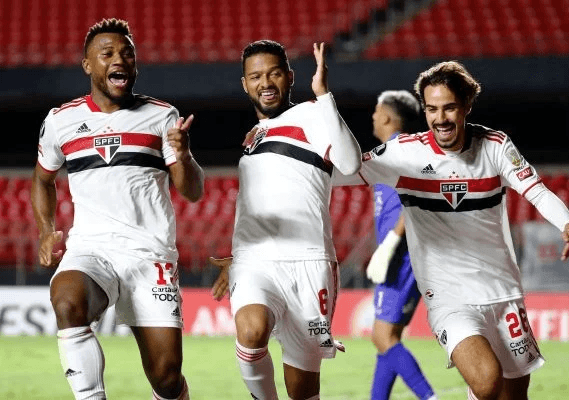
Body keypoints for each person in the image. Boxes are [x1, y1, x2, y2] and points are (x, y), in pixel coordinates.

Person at [333, 61, 569, 400]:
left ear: (466, 106)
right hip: (449, 297)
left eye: (449, 107)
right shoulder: (405, 153)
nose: (440, 118)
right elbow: (342, 172)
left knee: (514, 393)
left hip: (503, 292)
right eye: (432, 109)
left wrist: (567, 223)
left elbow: (536, 191)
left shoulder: (495, 146)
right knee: (486, 380)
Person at [30, 18, 204, 400]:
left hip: (149, 254)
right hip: (91, 249)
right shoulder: (61, 121)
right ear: (88, 65)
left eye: (127, 53)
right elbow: (43, 179)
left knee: (167, 379)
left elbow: (191, 191)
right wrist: (46, 229)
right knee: (66, 298)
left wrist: (185, 155)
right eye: (107, 53)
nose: (119, 59)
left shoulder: (162, 116)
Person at [211, 39, 361, 400]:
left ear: (290, 77)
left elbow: (351, 163)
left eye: (274, 73)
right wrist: (237, 255)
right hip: (256, 261)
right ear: (245, 84)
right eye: (256, 76)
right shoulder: (252, 137)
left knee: (303, 389)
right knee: (250, 331)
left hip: (310, 264)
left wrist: (324, 96)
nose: (265, 82)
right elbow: (251, 204)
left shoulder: (312, 114)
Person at [365, 91, 436, 400]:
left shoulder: (400, 152)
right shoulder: (393, 153)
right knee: (386, 338)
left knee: (382, 337)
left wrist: (390, 243)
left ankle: (429, 397)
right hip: (404, 254)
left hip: (403, 255)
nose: (372, 117)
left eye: (376, 112)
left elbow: (414, 202)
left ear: (387, 117)